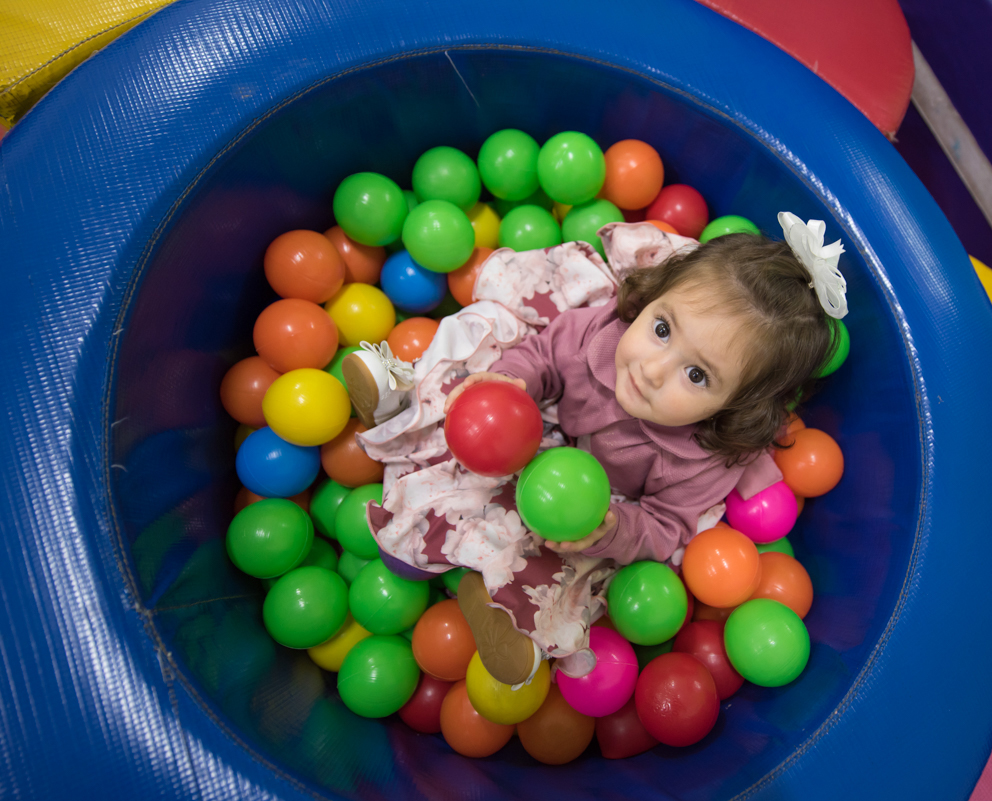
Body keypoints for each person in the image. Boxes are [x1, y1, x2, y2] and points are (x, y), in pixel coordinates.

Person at [342, 213, 847, 686]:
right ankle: (403, 401)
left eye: (696, 375)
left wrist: (611, 530)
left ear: (737, 407)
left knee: (574, 572)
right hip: (538, 424)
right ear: (651, 299)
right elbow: (541, 356)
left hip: (589, 506)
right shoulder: (603, 331)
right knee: (482, 365)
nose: (652, 368)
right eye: (663, 329)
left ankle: (504, 610)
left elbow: (664, 525)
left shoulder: (704, 458)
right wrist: (513, 384)